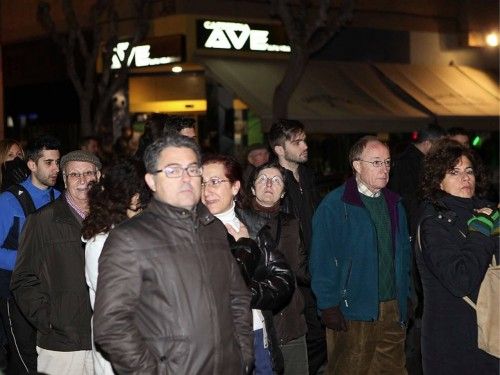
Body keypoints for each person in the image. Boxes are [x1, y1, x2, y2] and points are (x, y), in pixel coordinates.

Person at [93, 134, 253, 374]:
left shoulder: (213, 229)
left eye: (192, 169)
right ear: (151, 181)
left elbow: (238, 298)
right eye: (172, 170)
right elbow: (111, 325)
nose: (186, 178)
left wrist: (243, 357)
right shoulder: (130, 238)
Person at [310, 135, 412, 374]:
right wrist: (328, 305)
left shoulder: (394, 203)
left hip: (392, 307)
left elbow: (404, 255)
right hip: (352, 309)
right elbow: (321, 259)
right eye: (376, 162)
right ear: (357, 165)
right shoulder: (335, 204)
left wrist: (407, 295)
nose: (385, 168)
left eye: (387, 162)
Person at [201, 154, 295, 374]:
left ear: (235, 187)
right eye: (202, 183)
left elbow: (283, 279)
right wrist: (244, 246)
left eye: (215, 182)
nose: (206, 190)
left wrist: (246, 293)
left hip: (255, 333)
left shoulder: (252, 225)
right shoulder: (190, 229)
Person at [11, 150, 102, 375]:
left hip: (105, 342)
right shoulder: (42, 221)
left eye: (88, 173)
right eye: (74, 175)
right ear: (64, 179)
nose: (82, 180)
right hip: (61, 347)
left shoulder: (112, 220)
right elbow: (23, 279)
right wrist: (48, 320)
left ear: (98, 176)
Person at [416, 139, 499, 374]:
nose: (465, 178)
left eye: (469, 171)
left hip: (491, 335)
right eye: (454, 172)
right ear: (438, 181)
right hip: (454, 346)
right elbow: (461, 280)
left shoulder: (489, 214)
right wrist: (482, 232)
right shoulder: (434, 224)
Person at [81, 159, 151, 375]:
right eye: (137, 195)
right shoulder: (100, 242)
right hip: (119, 343)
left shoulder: (136, 233)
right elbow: (114, 300)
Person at [0, 135, 61, 374]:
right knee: (24, 357)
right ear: (32, 165)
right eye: (49, 163)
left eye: (57, 162)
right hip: (13, 289)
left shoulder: (59, 198)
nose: (56, 168)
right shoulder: (8, 201)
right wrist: (31, 260)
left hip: (49, 290)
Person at [268, 119, 325, 374]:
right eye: (297, 142)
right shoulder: (271, 180)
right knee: (296, 339)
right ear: (280, 149)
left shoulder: (309, 175)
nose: (305, 146)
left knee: (320, 336)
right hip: (291, 273)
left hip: (316, 268)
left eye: (305, 140)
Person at [388, 124, 446, 374]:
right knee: (415, 300)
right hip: (412, 239)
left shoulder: (402, 163)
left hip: (409, 238)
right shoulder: (415, 166)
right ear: (429, 144)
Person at [247, 160, 309, 374]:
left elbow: (302, 268)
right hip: (257, 328)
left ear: (283, 192)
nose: (269, 184)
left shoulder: (292, 223)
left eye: (276, 180)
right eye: (262, 179)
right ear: (253, 188)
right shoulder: (239, 223)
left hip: (292, 323)